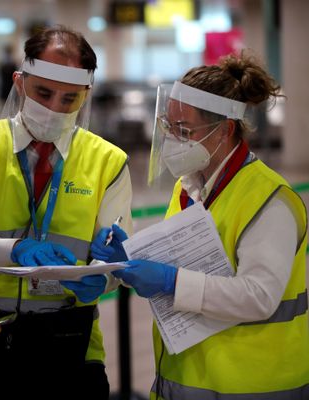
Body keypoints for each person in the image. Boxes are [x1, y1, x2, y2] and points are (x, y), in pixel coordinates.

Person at [0, 26, 133, 399]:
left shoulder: (109, 162)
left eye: (70, 98)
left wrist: (106, 278)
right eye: (44, 92)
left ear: (86, 95)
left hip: (74, 347)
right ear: (19, 82)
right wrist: (14, 250)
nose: (55, 107)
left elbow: (117, 259)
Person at [112, 51, 309, 399]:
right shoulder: (187, 186)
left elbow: (259, 298)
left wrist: (171, 281)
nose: (172, 138)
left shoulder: (269, 199)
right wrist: (127, 258)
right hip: (186, 377)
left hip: (252, 384)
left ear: (225, 130)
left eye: (184, 129)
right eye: (168, 127)